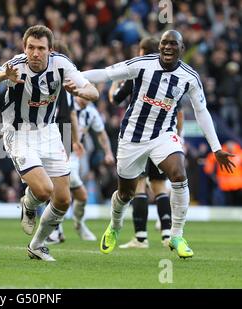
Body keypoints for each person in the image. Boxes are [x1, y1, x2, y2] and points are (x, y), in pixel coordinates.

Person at [82, 30, 235, 258]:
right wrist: (71, 75)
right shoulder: (142, 64)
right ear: (159, 46)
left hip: (163, 134)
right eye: (164, 43)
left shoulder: (189, 77)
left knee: (179, 175)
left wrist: (216, 148)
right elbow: (106, 74)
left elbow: (201, 111)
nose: (168, 47)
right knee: (125, 194)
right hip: (132, 137)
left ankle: (176, 235)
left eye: (173, 44)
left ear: (181, 49)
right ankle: (115, 226)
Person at [0, 25, 99, 261]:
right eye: (31, 48)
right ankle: (28, 202)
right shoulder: (15, 64)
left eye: (41, 49)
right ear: (24, 48)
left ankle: (37, 245)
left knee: (64, 200)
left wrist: (81, 92)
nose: (35, 53)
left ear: (50, 50)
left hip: (49, 132)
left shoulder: (61, 64)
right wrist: (5, 75)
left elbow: (93, 91)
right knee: (44, 190)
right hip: (18, 132)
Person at [108, 37, 182, 249]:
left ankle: (141, 237)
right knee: (159, 186)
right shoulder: (173, 76)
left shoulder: (139, 72)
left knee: (139, 185)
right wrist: (178, 136)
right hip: (163, 138)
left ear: (143, 52)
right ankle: (168, 235)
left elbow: (116, 99)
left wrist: (114, 83)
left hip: (139, 137)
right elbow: (180, 111)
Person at [47, 95, 115, 244]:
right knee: (63, 192)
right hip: (58, 152)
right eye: (85, 92)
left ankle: (76, 225)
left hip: (75, 157)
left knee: (80, 197)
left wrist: (108, 152)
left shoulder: (91, 112)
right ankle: (54, 230)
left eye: (90, 94)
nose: (87, 96)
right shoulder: (65, 105)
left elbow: (101, 134)